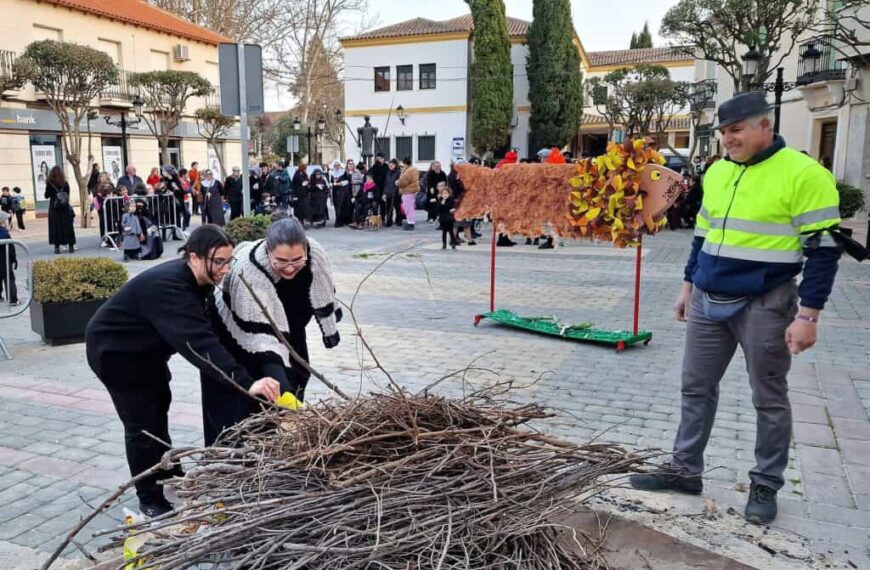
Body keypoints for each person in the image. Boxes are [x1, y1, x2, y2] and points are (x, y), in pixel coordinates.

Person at [628, 92, 843, 525]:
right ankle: (685, 469)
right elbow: (702, 236)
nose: (728, 139)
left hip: (766, 300)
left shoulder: (804, 174)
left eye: (737, 129)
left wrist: (809, 316)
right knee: (695, 387)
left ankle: (766, 482)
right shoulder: (719, 172)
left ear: (765, 126)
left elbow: (824, 249)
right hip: (708, 297)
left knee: (768, 396)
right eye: (724, 131)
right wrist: (688, 285)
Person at [86, 225, 280, 517]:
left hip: (148, 356)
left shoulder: (197, 280)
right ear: (193, 258)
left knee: (157, 411)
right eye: (219, 262)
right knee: (141, 426)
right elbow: (200, 345)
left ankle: (168, 472)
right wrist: (245, 382)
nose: (225, 269)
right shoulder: (171, 287)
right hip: (116, 355)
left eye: (229, 261)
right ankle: (149, 497)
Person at [202, 216, 341, 445]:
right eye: (281, 261)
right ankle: (234, 463)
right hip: (235, 337)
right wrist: (285, 399)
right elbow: (263, 347)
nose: (289, 267)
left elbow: (323, 294)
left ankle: (282, 449)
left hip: (288, 330)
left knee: (296, 376)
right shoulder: (250, 272)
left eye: (297, 260)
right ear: (268, 252)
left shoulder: (315, 255)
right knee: (246, 402)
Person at [45, 165, 76, 254]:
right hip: (65, 208)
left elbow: (46, 195)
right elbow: (68, 194)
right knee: (68, 227)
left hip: (54, 208)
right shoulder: (65, 183)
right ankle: (71, 246)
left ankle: (57, 248)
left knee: (55, 227)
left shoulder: (50, 184)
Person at [0, 212, 18, 305]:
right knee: (9, 279)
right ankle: (12, 299)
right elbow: (11, 248)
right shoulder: (4, 233)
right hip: (4, 260)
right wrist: (14, 259)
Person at [396, 157, 419, 230]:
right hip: (411, 190)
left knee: (408, 208)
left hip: (408, 191)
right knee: (409, 207)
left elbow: (402, 182)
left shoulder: (409, 171)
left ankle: (410, 223)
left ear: (405, 163)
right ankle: (410, 222)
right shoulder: (412, 169)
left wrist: (397, 182)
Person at [331, 161, 353, 228]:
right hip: (335, 192)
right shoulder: (331, 173)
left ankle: (341, 221)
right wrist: (332, 184)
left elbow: (347, 181)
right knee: (336, 207)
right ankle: (338, 220)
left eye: (338, 165)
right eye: (335, 165)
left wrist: (340, 183)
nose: (336, 166)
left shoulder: (343, 172)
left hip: (342, 191)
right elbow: (330, 182)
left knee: (341, 207)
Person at [437, 183, 458, 250]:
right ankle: (444, 244)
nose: (445, 195)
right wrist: (441, 204)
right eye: (443, 194)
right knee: (444, 232)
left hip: (449, 218)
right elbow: (438, 209)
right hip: (443, 218)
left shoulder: (451, 200)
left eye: (446, 193)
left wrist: (445, 204)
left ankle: (453, 243)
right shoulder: (440, 200)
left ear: (449, 194)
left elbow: (450, 207)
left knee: (451, 231)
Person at [368, 153, 388, 220]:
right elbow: (369, 174)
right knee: (375, 205)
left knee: (383, 205)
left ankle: (382, 219)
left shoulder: (386, 167)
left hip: (384, 188)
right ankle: (375, 219)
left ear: (383, 159)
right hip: (375, 189)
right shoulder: (374, 167)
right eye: (378, 159)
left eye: (381, 158)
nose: (379, 160)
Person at [383, 159, 401, 227]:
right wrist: (384, 193)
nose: (390, 166)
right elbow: (385, 184)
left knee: (397, 208)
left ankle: (398, 221)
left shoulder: (398, 173)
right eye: (389, 164)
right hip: (388, 193)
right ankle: (389, 221)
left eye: (392, 165)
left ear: (395, 165)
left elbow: (399, 183)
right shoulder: (387, 173)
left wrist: (396, 190)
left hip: (396, 193)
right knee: (388, 208)